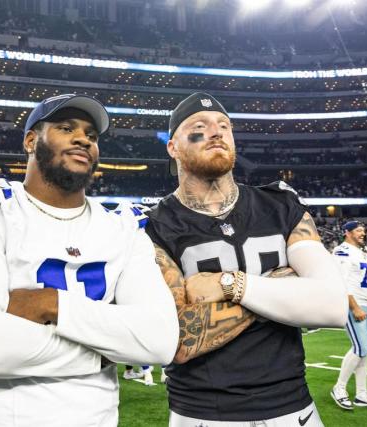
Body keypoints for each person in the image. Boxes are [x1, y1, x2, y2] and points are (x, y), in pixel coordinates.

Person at [0, 94, 179, 426]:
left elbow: (159, 342)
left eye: (91, 136)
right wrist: (104, 353)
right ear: (31, 141)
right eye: (66, 128)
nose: (83, 139)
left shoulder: (123, 228)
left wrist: (50, 303)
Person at [145, 92, 348, 427]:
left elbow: (333, 306)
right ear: (173, 147)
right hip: (202, 414)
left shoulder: (281, 206)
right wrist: (285, 290)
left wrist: (231, 284)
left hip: (294, 407)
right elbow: (176, 340)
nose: (216, 132)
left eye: (224, 126)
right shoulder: (153, 226)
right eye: (200, 126)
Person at [330, 221, 367, 410]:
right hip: (353, 305)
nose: (363, 233)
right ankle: (339, 388)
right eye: (358, 230)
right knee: (360, 348)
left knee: (365, 351)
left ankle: (362, 394)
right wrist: (354, 307)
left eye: (364, 230)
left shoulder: (364, 252)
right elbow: (341, 283)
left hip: (366, 303)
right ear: (347, 233)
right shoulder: (341, 251)